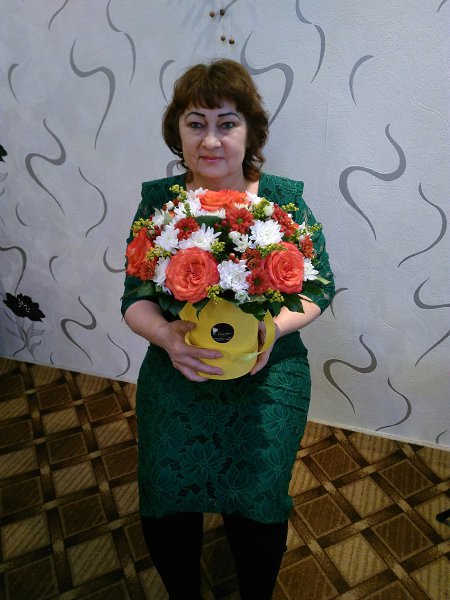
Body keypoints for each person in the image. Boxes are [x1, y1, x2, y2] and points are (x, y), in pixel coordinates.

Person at [121, 59, 335, 600]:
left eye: (227, 123)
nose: (211, 140)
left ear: (250, 132)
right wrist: (167, 338)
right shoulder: (160, 204)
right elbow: (134, 298)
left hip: (269, 369)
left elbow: (319, 288)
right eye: (196, 123)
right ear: (178, 132)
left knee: (258, 495)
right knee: (167, 489)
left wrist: (273, 331)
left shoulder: (283, 200)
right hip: (180, 366)